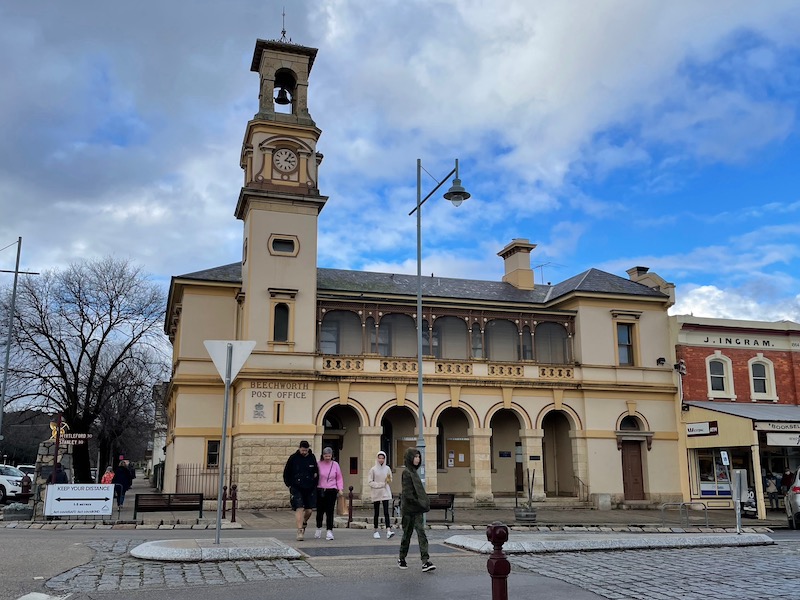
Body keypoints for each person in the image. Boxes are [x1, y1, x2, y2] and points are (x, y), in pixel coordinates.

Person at [397, 447, 435, 572]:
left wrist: (422, 503)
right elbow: (408, 493)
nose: (417, 459)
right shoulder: (407, 472)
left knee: (421, 533)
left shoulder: (414, 472)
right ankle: (401, 557)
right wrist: (420, 503)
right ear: (410, 458)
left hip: (417, 509)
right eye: (415, 457)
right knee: (407, 534)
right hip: (409, 509)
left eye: (419, 457)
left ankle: (425, 561)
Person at [283, 440, 319, 541]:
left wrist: (315, 484)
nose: (304, 452)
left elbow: (316, 472)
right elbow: (286, 472)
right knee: (299, 508)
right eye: (302, 450)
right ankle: (300, 531)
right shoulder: (293, 458)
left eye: (305, 450)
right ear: (299, 448)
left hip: (309, 488)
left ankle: (303, 522)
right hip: (296, 487)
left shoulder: (312, 458)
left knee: (309, 510)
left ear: (308, 449)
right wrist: (289, 485)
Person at [314, 446, 344, 541]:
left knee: (330, 511)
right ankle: (318, 528)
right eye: (326, 456)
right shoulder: (318, 464)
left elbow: (339, 477)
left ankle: (329, 531)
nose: (327, 458)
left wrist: (340, 489)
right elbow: (314, 476)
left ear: (332, 456)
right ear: (323, 456)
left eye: (329, 456)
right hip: (320, 489)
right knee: (320, 511)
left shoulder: (335, 465)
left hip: (331, 490)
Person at [368, 450, 395, 539]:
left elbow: (390, 478)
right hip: (376, 491)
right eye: (379, 458)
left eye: (382, 458)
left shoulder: (387, 468)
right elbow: (370, 482)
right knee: (376, 512)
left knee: (386, 511)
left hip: (385, 491)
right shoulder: (373, 469)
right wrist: (379, 485)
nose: (381, 460)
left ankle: (388, 530)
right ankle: (375, 530)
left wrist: (388, 481)